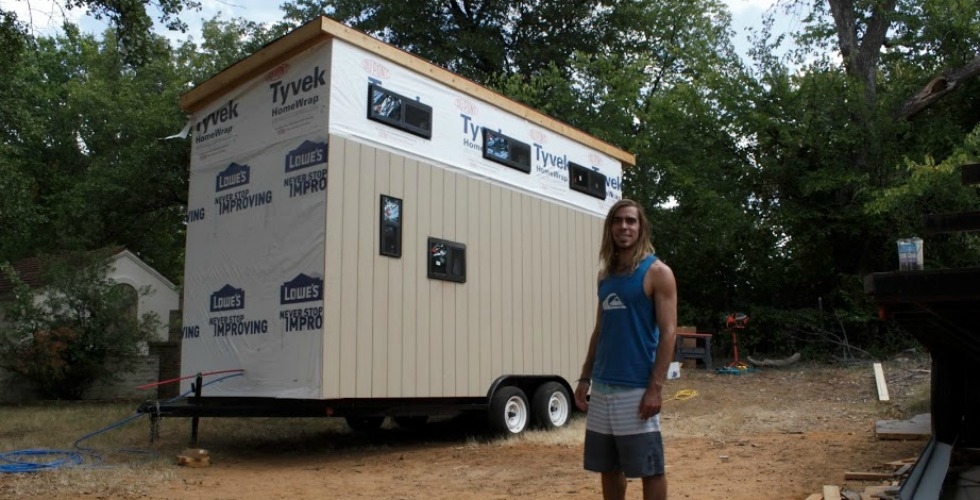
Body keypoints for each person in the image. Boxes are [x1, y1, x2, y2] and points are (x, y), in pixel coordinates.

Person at [574, 199, 678, 500]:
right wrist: (584, 378)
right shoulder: (605, 277)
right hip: (603, 387)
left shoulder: (658, 272)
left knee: (650, 468)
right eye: (618, 221)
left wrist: (655, 388)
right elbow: (599, 330)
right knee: (608, 467)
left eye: (631, 221)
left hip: (636, 389)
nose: (624, 226)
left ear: (641, 227)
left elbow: (669, 332)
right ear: (610, 228)